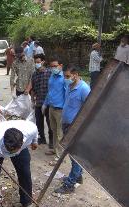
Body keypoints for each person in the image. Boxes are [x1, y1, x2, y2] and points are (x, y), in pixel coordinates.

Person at [0, 120, 38, 207]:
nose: (11, 154)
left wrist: (35, 141)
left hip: (21, 145)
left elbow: (35, 130)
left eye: (14, 151)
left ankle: (27, 203)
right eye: (9, 151)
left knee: (25, 173)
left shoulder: (30, 130)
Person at [54, 66, 90, 194]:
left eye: (68, 76)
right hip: (67, 124)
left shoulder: (84, 89)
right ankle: (77, 177)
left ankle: (70, 184)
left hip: (75, 127)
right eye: (65, 76)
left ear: (76, 75)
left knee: (74, 155)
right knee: (71, 154)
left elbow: (89, 109)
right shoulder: (70, 86)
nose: (66, 79)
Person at [42, 57, 65, 163]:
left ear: (61, 66)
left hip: (60, 109)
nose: (53, 68)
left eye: (55, 66)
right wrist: (45, 104)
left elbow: (68, 94)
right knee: (54, 130)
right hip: (51, 108)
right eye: (51, 66)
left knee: (60, 133)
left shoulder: (65, 78)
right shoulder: (52, 76)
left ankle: (60, 156)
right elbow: (49, 91)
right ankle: (56, 150)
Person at [31, 54, 53, 148]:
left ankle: (51, 141)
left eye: (38, 62)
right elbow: (33, 89)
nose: (37, 64)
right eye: (35, 62)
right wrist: (32, 100)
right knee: (39, 122)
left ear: (43, 62)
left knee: (50, 123)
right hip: (38, 102)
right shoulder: (34, 74)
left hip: (48, 103)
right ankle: (42, 138)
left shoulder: (50, 73)